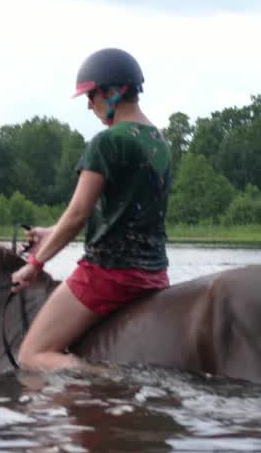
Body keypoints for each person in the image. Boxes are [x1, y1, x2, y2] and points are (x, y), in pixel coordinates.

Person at [11, 47, 172, 372]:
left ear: (115, 92)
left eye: (93, 95)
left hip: (109, 274)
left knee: (30, 355)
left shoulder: (107, 142)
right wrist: (49, 233)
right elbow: (121, 214)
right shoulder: (160, 142)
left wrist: (34, 263)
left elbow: (78, 214)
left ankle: (107, 378)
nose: (89, 104)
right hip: (155, 275)